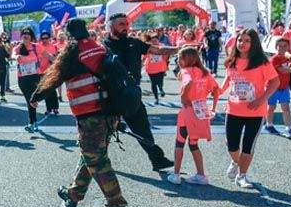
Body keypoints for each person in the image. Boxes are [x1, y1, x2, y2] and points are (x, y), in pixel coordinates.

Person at [32, 19, 129, 207]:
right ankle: (73, 194)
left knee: (96, 160)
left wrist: (37, 96)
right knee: (92, 154)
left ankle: (116, 206)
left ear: (68, 35)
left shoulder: (73, 51)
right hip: (109, 112)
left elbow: (55, 76)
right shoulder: (99, 47)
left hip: (90, 113)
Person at [103, 13, 176, 171]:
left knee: (143, 128)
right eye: (121, 24)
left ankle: (157, 159)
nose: (126, 27)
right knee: (103, 133)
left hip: (131, 95)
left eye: (127, 24)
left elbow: (157, 50)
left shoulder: (134, 43)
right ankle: (97, 163)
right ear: (111, 26)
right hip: (109, 97)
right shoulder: (102, 46)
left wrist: (179, 49)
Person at [220, 29, 280, 189]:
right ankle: (235, 161)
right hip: (233, 109)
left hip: (256, 111)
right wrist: (219, 90)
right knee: (231, 145)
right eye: (240, 40)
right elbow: (229, 78)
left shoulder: (262, 62)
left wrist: (261, 99)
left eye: (247, 41)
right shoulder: (231, 60)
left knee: (248, 145)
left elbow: (275, 82)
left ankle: (242, 175)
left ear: (253, 43)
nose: (242, 44)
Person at [167, 48, 221, 185]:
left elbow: (189, 82)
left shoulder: (186, 71)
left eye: (180, 58)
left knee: (179, 142)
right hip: (201, 111)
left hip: (188, 112)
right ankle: (201, 175)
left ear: (186, 59)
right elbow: (216, 90)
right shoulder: (205, 73)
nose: (178, 61)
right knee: (193, 144)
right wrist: (213, 108)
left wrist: (184, 97)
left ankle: (176, 174)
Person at [265, 38, 291, 137]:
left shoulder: (287, 57)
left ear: (288, 47)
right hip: (272, 87)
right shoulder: (274, 59)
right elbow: (283, 71)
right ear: (275, 47)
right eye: (280, 46)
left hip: (284, 87)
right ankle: (269, 124)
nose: (282, 48)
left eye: (285, 46)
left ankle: (288, 128)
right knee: (271, 107)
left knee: (286, 108)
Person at [14, 29, 45, 131]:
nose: (26, 36)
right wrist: (16, 57)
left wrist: (58, 63)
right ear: (21, 36)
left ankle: (32, 122)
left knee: (32, 99)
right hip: (22, 78)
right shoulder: (18, 48)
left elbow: (48, 55)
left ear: (31, 36)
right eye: (24, 34)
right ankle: (33, 122)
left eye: (28, 34)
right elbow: (13, 55)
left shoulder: (36, 46)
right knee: (29, 99)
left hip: (34, 77)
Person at [143, 35, 169, 105]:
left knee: (160, 81)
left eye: (155, 40)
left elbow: (167, 55)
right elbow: (144, 56)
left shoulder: (162, 46)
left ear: (158, 40)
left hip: (161, 67)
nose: (154, 42)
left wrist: (166, 60)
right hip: (151, 68)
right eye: (152, 40)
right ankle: (156, 98)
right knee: (153, 83)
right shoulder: (148, 47)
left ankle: (160, 89)